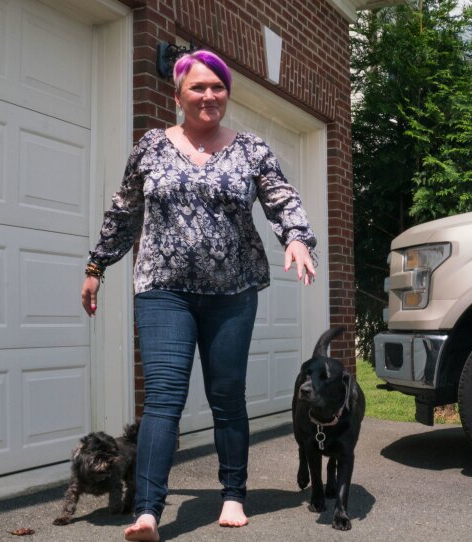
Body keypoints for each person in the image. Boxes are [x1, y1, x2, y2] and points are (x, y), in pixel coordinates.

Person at [79, 49, 317, 542]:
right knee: (164, 398)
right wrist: (96, 265)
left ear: (226, 92)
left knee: (226, 397)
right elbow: (123, 211)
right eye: (198, 87)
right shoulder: (150, 146)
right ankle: (147, 511)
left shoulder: (252, 149)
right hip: (163, 291)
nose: (209, 96)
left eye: (217, 87)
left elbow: (281, 199)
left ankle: (233, 493)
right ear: (178, 94)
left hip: (231, 292)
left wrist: (296, 237)